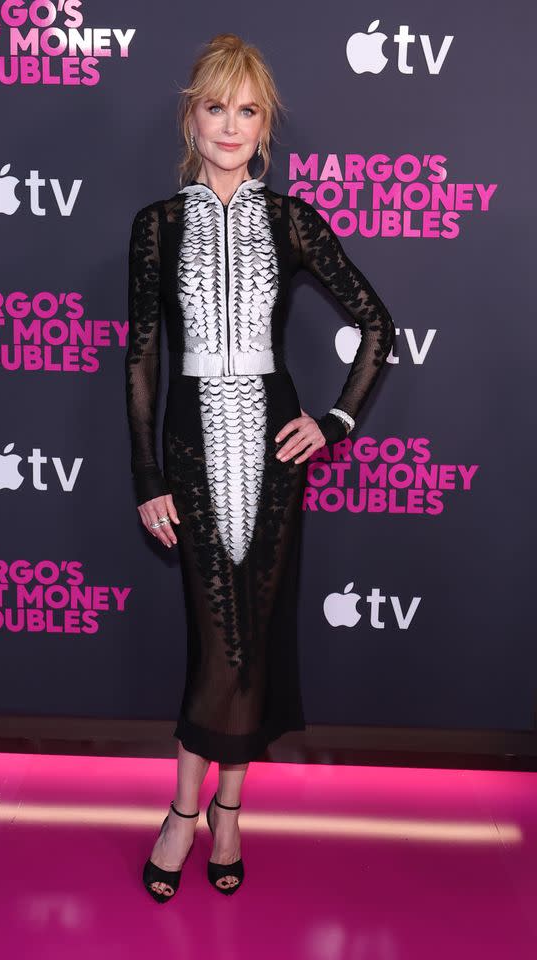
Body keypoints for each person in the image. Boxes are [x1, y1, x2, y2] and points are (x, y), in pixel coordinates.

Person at [125, 33, 395, 902]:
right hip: (191, 455)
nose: (230, 124)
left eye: (247, 110)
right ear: (190, 116)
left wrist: (337, 420)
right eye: (216, 106)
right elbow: (140, 361)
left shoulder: (291, 219)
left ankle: (230, 814)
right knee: (217, 645)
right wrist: (147, 479)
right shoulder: (157, 226)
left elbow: (377, 326)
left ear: (264, 125)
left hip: (276, 455)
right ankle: (183, 812)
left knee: (255, 648)